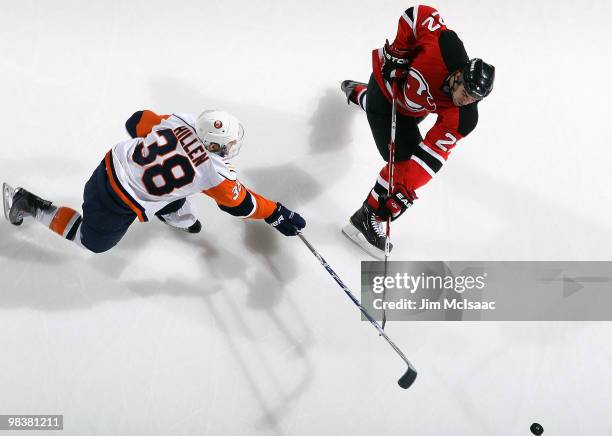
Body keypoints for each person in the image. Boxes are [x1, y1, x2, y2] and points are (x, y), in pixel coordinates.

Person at [2, 109, 306, 253]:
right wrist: (276, 212)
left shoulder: (181, 120)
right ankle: (31, 205)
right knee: (92, 243)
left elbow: (135, 122)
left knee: (174, 193)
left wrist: (161, 146)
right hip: (117, 202)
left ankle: (173, 211)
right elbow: (242, 205)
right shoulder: (215, 174)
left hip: (109, 166)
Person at [340, 5, 495, 259]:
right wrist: (398, 53)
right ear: (458, 76)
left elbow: (429, 158)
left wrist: (404, 192)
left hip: (412, 109)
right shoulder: (446, 46)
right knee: (400, 156)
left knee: (407, 168)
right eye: (465, 94)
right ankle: (366, 217)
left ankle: (359, 94)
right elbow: (417, 14)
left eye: (473, 99)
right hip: (387, 83)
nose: (465, 102)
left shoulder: (464, 118)